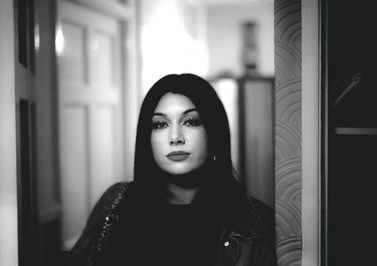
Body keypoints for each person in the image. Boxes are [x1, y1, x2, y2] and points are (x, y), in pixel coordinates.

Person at [67, 73, 277, 266]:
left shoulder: (255, 223)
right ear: (146, 139)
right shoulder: (115, 202)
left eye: (190, 121)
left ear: (213, 132)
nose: (175, 137)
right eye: (160, 124)